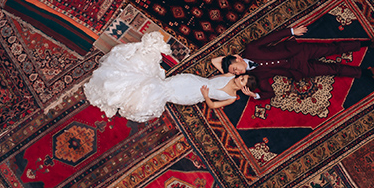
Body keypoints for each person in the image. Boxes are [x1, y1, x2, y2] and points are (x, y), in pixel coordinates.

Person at [83, 32, 258, 122]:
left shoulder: (232, 98)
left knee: (163, 94)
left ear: (244, 87)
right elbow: (215, 61)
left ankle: (133, 94)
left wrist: (206, 96)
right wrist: (238, 63)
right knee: (159, 85)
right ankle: (129, 86)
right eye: (240, 76)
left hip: (193, 96)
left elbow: (213, 105)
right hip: (192, 81)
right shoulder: (228, 75)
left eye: (241, 80)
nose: (238, 78)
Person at [211, 25, 374, 100]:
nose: (237, 72)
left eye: (235, 68)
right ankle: (366, 73)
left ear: (238, 58)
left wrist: (291, 31)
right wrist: (254, 95)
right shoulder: (254, 77)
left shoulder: (250, 49)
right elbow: (269, 94)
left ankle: (366, 43)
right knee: (332, 69)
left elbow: (270, 38)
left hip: (298, 51)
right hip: (299, 69)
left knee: (332, 49)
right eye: (234, 73)